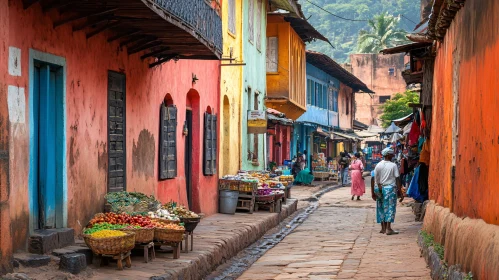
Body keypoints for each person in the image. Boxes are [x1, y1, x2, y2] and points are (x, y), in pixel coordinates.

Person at [373, 147, 403, 235]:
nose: (393, 155)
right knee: (390, 207)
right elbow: (397, 179)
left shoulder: (378, 165)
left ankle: (383, 228)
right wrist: (400, 192)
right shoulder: (393, 165)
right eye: (392, 154)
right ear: (388, 155)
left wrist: (378, 186)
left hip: (380, 188)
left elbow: (376, 178)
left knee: (381, 207)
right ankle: (388, 228)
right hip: (390, 189)